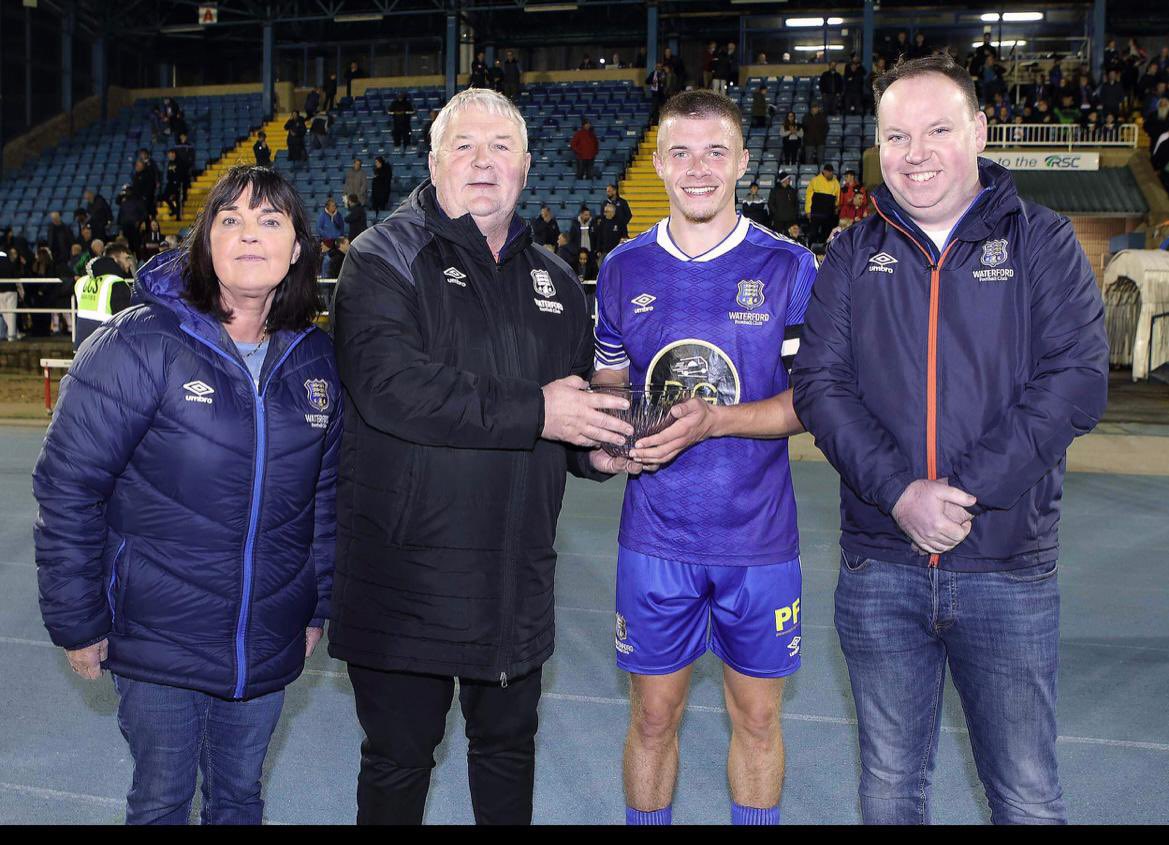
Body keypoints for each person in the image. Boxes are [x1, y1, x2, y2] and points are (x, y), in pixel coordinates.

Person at [791, 53, 1109, 826]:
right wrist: (900, 494)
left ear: (978, 131)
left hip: (1004, 565)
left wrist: (960, 496)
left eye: (936, 130)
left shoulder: (1042, 241)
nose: (915, 153)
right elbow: (819, 386)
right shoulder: (850, 253)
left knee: (1025, 794)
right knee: (889, 788)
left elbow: (1075, 381)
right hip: (879, 565)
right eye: (896, 136)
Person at [328, 87, 635, 826]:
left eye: (501, 147)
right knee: (398, 764)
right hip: (406, 582)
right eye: (463, 146)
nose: (483, 161)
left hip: (512, 580)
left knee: (507, 755)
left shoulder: (557, 280)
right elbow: (393, 389)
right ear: (434, 163)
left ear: (526, 167)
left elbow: (565, 413)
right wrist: (541, 410)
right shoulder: (382, 256)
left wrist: (596, 453)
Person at [33, 164, 341, 825]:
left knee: (239, 798)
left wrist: (316, 603)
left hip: (265, 635)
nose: (249, 234)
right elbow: (69, 487)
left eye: (270, 220)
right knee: (162, 800)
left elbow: (324, 499)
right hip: (156, 635)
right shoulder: (138, 342)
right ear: (205, 243)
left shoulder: (317, 359)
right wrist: (78, 618)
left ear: (296, 249)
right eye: (230, 220)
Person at [591, 89, 816, 826]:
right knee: (653, 717)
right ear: (657, 163)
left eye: (715, 151)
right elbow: (609, 385)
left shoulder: (787, 267)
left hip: (757, 537)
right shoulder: (622, 268)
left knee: (757, 718)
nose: (697, 169)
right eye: (681, 153)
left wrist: (715, 420)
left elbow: (810, 403)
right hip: (656, 537)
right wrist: (611, 434)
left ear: (743, 162)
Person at [71, 241, 135, 350]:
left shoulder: (82, 281)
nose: (129, 264)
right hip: (104, 348)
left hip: (81, 348)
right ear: (115, 258)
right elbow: (124, 323)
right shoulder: (117, 283)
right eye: (126, 258)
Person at [804, 163, 841, 245]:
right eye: (829, 172)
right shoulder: (815, 181)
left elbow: (838, 197)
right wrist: (808, 211)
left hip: (828, 214)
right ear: (824, 171)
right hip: (816, 213)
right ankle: (810, 248)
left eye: (832, 172)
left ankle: (824, 250)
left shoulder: (836, 183)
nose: (830, 174)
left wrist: (836, 207)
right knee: (813, 233)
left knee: (826, 234)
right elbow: (808, 197)